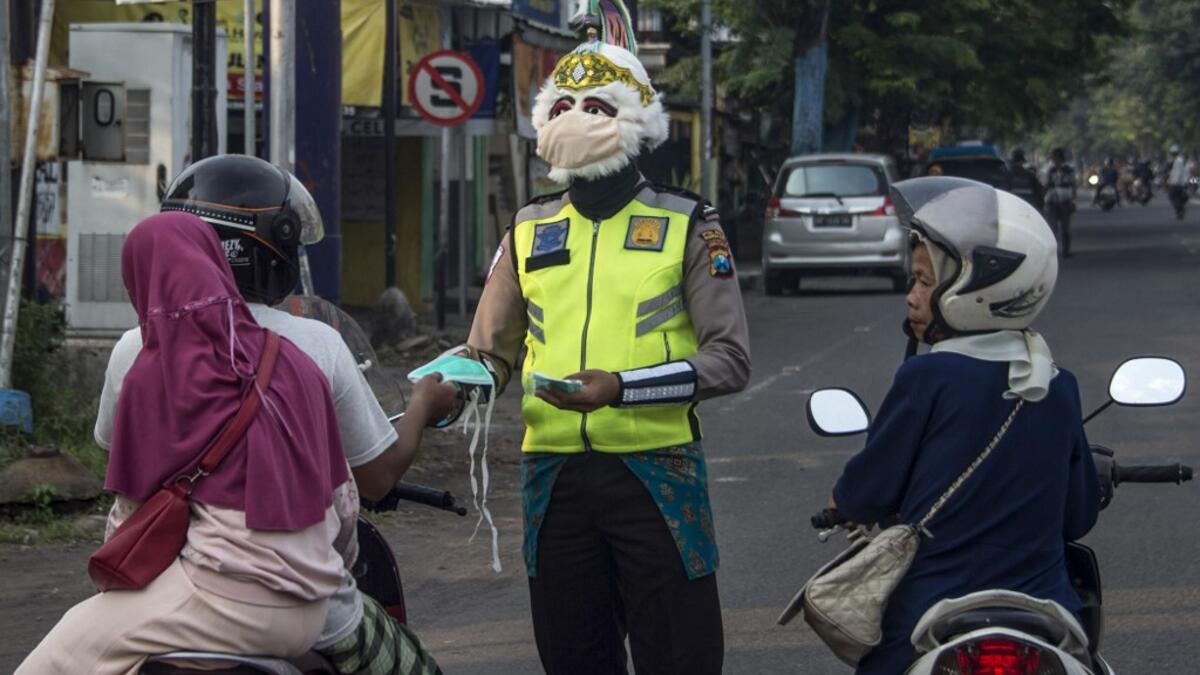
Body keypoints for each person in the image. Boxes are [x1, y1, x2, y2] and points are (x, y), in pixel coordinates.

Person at [449, 4, 751, 673]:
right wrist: (441, 394)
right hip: (554, 481)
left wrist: (622, 389)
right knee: (572, 654)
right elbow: (488, 354)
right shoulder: (527, 230)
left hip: (658, 473)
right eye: (561, 106)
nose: (574, 118)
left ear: (635, 123)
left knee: (680, 653)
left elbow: (729, 360)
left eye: (595, 104)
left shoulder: (688, 225)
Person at [123, 155, 455, 674]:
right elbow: (373, 479)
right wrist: (423, 406)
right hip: (297, 606)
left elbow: (121, 471)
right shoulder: (311, 345)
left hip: (159, 596)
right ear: (268, 248)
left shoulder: (134, 348)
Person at [18, 212, 356, 673]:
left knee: (54, 661)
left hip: (220, 600)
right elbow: (344, 503)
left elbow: (129, 522)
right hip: (314, 606)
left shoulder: (152, 375)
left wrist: (113, 598)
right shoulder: (296, 361)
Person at [826, 176, 1100, 674]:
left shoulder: (926, 377)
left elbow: (868, 492)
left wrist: (839, 504)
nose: (910, 297)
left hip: (929, 607)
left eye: (925, 282)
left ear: (975, 291)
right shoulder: (1057, 385)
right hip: (1043, 605)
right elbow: (1077, 516)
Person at [1042, 147, 1077, 257]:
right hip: (1052, 200)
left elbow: (1073, 185)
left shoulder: (1069, 170)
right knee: (1053, 227)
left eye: (1055, 157)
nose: (1054, 160)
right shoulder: (1050, 170)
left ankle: (1066, 250)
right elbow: (1046, 185)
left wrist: (1073, 200)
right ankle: (1053, 252)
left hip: (1065, 199)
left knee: (1065, 227)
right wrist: (1043, 199)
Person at [1166, 144, 1190, 219]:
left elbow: (1177, 173)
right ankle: (1180, 210)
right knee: (1180, 196)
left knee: (1172, 196)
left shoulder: (1177, 161)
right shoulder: (1182, 160)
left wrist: (1172, 181)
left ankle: (1179, 209)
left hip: (1177, 183)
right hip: (1183, 182)